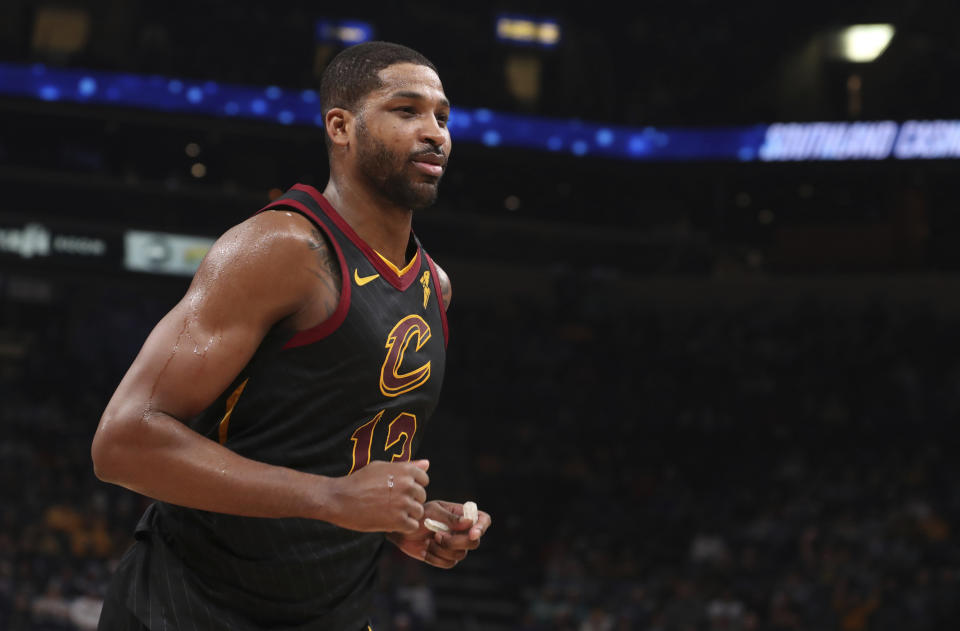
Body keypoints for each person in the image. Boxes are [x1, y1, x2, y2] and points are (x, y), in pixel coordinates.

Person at [91, 41, 491, 630]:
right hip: (190, 608)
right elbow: (122, 443)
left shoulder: (435, 286)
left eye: (442, 116)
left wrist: (404, 518)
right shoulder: (281, 249)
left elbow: (338, 458)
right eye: (407, 110)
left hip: (330, 613)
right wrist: (332, 501)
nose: (434, 132)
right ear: (340, 126)